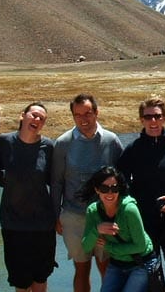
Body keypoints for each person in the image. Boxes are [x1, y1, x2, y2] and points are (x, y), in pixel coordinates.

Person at [117, 96, 165, 292]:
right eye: (148, 117)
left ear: (164, 118)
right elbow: (119, 182)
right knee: (151, 274)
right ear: (141, 119)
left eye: (157, 116)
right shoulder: (133, 149)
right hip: (144, 222)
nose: (153, 121)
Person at [51, 93, 124, 292]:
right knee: (81, 268)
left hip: (106, 216)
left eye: (88, 113)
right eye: (78, 115)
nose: (84, 119)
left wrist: (122, 212)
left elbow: (123, 180)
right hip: (74, 217)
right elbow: (56, 182)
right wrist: (55, 215)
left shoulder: (111, 140)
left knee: (107, 267)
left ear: (96, 113)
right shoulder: (63, 143)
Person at [0, 102, 56, 292]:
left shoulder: (48, 146)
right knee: (20, 282)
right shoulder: (4, 142)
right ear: (23, 116)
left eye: (41, 118)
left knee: (40, 277)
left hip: (42, 225)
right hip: (14, 224)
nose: (37, 119)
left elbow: (54, 182)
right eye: (34, 115)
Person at [81, 166, 156, 292]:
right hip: (117, 264)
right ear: (97, 190)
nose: (110, 193)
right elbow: (86, 247)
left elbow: (140, 246)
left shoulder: (129, 210)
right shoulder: (93, 211)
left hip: (141, 263)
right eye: (104, 189)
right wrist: (96, 230)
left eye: (114, 188)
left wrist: (109, 247)